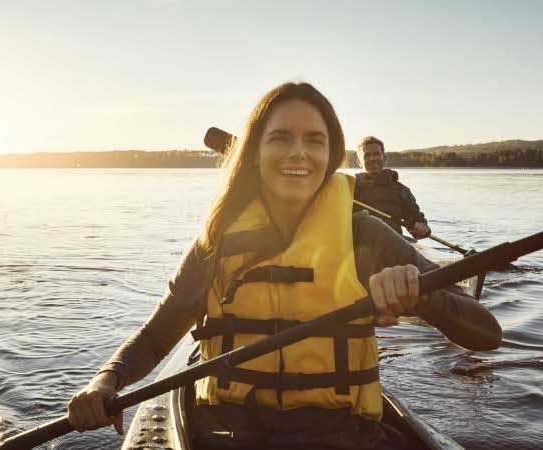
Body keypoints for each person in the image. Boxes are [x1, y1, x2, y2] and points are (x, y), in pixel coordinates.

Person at [66, 82, 502, 449]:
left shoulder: (365, 234)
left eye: (315, 140)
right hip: (224, 432)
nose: (299, 153)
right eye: (280, 138)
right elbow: (158, 332)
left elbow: (485, 333)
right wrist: (106, 380)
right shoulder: (218, 237)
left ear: (331, 155)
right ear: (254, 151)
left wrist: (421, 297)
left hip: (342, 436)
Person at [354, 136, 431, 239]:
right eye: (366, 155)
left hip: (392, 247)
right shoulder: (349, 187)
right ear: (359, 162)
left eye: (376, 154)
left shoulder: (401, 190)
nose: (372, 159)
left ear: (384, 158)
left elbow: (417, 223)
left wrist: (423, 229)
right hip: (359, 247)